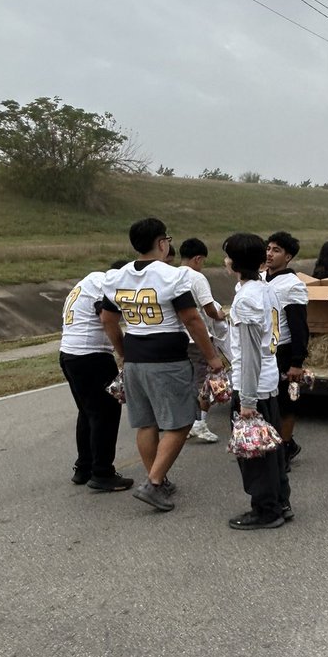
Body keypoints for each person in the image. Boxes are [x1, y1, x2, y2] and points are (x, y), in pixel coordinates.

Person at [99, 217, 224, 512]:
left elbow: (108, 320)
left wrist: (122, 351)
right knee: (181, 422)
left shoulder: (116, 276)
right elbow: (192, 319)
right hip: (167, 357)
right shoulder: (172, 276)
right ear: (162, 242)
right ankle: (154, 482)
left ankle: (158, 478)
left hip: (135, 357)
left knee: (146, 422)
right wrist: (212, 357)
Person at [226, 232, 291, 530]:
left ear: (235, 262)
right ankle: (280, 502)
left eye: (228, 256)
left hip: (251, 384)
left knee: (255, 452)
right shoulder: (265, 289)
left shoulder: (247, 298)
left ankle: (266, 509)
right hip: (267, 379)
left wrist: (247, 401)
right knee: (272, 448)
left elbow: (250, 352)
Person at [59, 260, 133, 491]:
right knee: (106, 413)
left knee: (88, 412)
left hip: (69, 353)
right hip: (91, 355)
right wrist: (123, 353)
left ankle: (84, 467)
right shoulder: (107, 284)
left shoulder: (87, 281)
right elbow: (106, 318)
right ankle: (102, 472)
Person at [265, 231, 310, 467]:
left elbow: (299, 327)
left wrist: (296, 361)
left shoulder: (292, 285)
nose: (270, 254)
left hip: (283, 351)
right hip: (265, 352)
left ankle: (284, 447)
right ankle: (282, 445)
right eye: (269, 248)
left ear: (288, 257)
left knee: (287, 403)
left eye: (276, 250)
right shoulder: (260, 278)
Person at [179, 237, 226, 444]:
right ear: (198, 259)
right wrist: (220, 316)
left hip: (176, 338)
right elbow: (208, 308)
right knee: (206, 382)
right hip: (196, 338)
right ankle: (201, 423)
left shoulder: (171, 274)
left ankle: (188, 422)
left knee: (186, 382)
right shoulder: (196, 278)